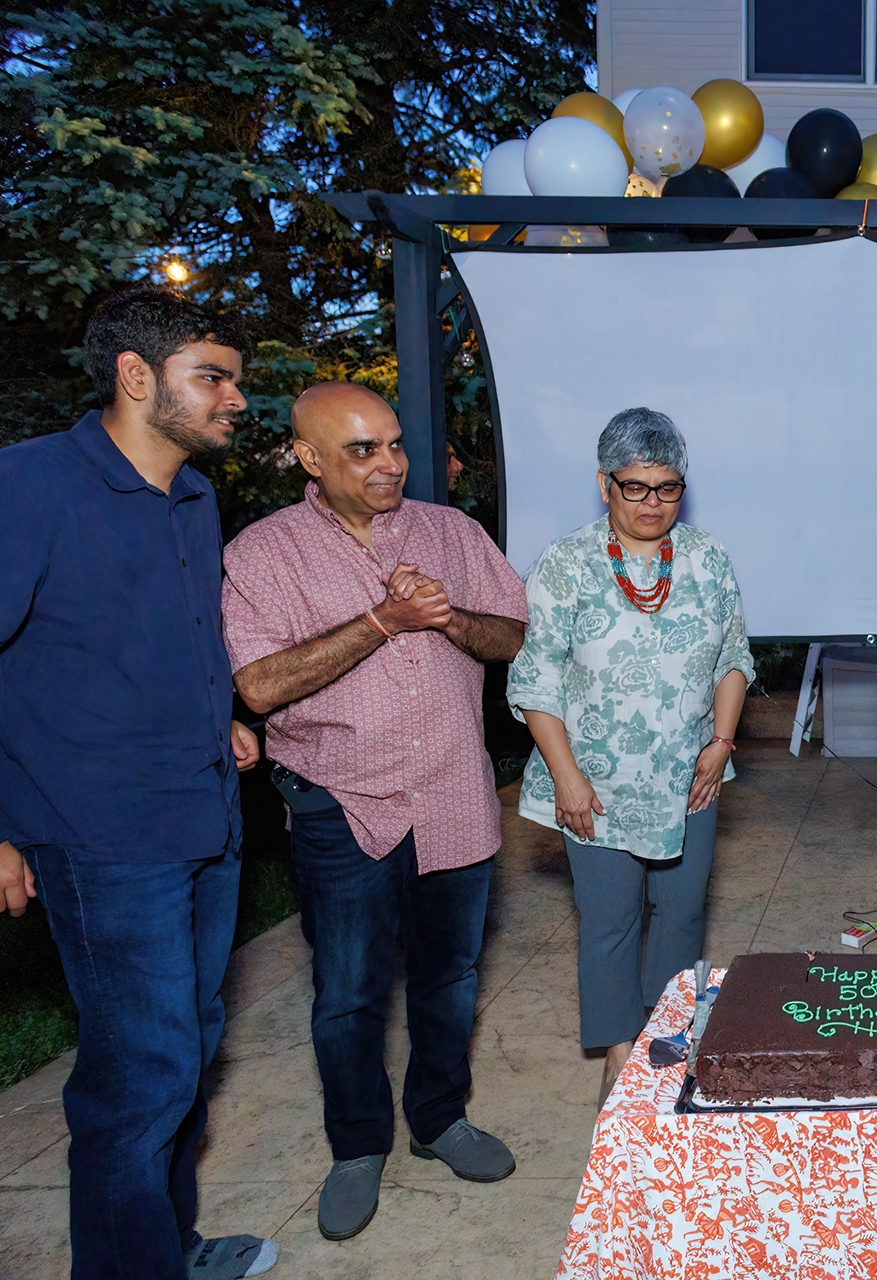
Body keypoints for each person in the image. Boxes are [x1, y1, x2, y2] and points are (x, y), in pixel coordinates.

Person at [0, 288, 277, 1280]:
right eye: (214, 377)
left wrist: (217, 714)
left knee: (185, 1051)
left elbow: (166, 636)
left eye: (236, 379)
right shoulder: (13, 491)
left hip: (203, 817)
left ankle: (167, 1246)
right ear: (134, 375)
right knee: (140, 1078)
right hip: (101, 836)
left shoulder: (192, 498)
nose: (237, 399)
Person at [222, 382, 529, 1242]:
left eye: (394, 443)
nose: (390, 463)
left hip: (454, 789)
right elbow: (260, 685)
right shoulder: (262, 553)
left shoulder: (451, 531)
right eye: (362, 450)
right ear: (309, 458)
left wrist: (447, 616)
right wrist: (384, 620)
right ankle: (358, 1147)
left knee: (449, 977)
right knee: (349, 994)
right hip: (341, 803)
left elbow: (512, 636)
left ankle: (439, 1119)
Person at [507, 408, 754, 1103]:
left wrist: (721, 742)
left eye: (667, 488)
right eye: (635, 487)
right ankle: (621, 1057)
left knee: (681, 914)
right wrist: (567, 779)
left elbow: (734, 657)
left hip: (690, 774)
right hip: (596, 780)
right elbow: (535, 681)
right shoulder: (566, 564)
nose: (652, 503)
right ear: (604, 485)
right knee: (611, 921)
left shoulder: (706, 558)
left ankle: (664, 1040)